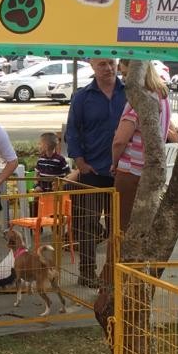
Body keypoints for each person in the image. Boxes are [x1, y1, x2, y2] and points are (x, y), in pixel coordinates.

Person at [64, 58, 126, 287]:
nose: (108, 68)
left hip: (123, 172)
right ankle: (87, 273)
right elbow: (72, 131)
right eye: (102, 64)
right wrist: (80, 162)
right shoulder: (82, 97)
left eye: (111, 63)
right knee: (87, 224)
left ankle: (115, 274)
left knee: (118, 226)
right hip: (91, 171)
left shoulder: (129, 92)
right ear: (92, 66)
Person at [110, 59, 176, 230]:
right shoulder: (162, 96)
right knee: (142, 227)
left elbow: (120, 140)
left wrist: (114, 162)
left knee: (121, 227)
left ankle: (119, 250)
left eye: (126, 74)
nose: (125, 79)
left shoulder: (140, 99)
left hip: (130, 170)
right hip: (151, 169)